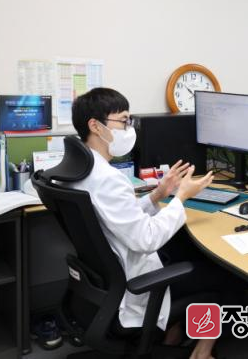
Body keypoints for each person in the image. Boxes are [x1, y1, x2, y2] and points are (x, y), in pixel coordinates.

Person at [69, 87, 217, 359]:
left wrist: (159, 194)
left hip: (106, 282)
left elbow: (118, 217)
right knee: (221, 278)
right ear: (95, 126)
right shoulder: (109, 180)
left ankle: (172, 337)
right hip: (133, 286)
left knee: (184, 253)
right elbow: (145, 239)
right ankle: (202, 352)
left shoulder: (84, 171)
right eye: (123, 121)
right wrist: (181, 197)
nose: (129, 128)